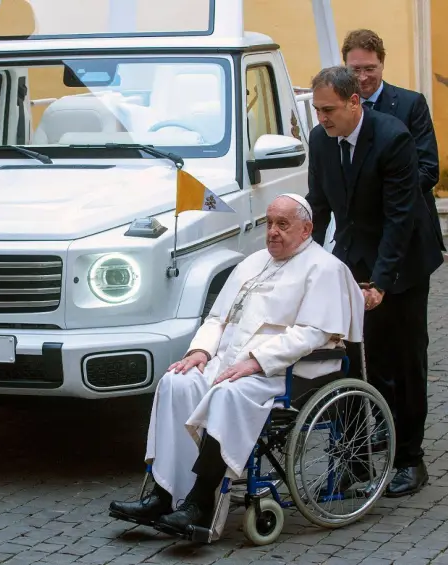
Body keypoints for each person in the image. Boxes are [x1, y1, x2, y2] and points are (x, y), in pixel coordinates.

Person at [108, 194, 364, 538]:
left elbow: (312, 334)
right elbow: (218, 317)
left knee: (229, 393)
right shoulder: (252, 262)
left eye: (282, 225)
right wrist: (200, 350)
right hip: (230, 361)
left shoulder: (325, 268)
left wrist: (257, 361)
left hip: (289, 372)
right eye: (269, 223)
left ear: (306, 229)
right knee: (176, 381)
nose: (272, 232)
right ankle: (163, 494)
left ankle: (199, 503)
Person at [306, 66, 444, 497]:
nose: (322, 118)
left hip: (401, 263)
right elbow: (320, 204)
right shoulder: (320, 139)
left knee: (403, 363)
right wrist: (301, 262)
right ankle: (354, 459)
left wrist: (381, 283)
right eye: (316, 110)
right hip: (352, 257)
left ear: (354, 103)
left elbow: (400, 218)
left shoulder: (393, 137)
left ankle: (410, 460)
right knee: (350, 360)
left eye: (328, 109)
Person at [341, 29, 443, 252]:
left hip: (409, 229)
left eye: (370, 68)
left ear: (382, 64)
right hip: (358, 238)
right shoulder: (337, 109)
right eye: (355, 69)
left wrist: (382, 200)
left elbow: (428, 169)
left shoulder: (411, 104)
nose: (362, 77)